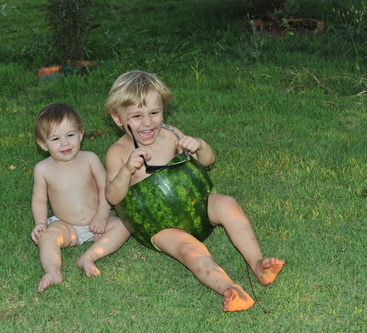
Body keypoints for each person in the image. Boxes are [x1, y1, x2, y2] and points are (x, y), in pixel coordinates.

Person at [104, 70, 285, 312]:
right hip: (161, 227)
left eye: (154, 113)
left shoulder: (171, 134)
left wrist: (199, 145)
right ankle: (230, 288)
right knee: (190, 250)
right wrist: (127, 170)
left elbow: (208, 161)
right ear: (117, 118)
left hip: (196, 204)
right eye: (136, 116)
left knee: (227, 203)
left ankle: (258, 264)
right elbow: (112, 197)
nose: (147, 122)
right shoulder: (117, 153)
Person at [31, 102, 130, 293]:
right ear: (43, 144)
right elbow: (39, 200)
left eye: (70, 135)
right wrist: (40, 222)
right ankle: (53, 271)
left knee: (123, 226)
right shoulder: (43, 169)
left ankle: (89, 256)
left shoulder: (89, 159)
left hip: (97, 222)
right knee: (47, 237)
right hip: (66, 225)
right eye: (55, 138)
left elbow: (105, 188)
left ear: (81, 133)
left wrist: (102, 215)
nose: (65, 143)